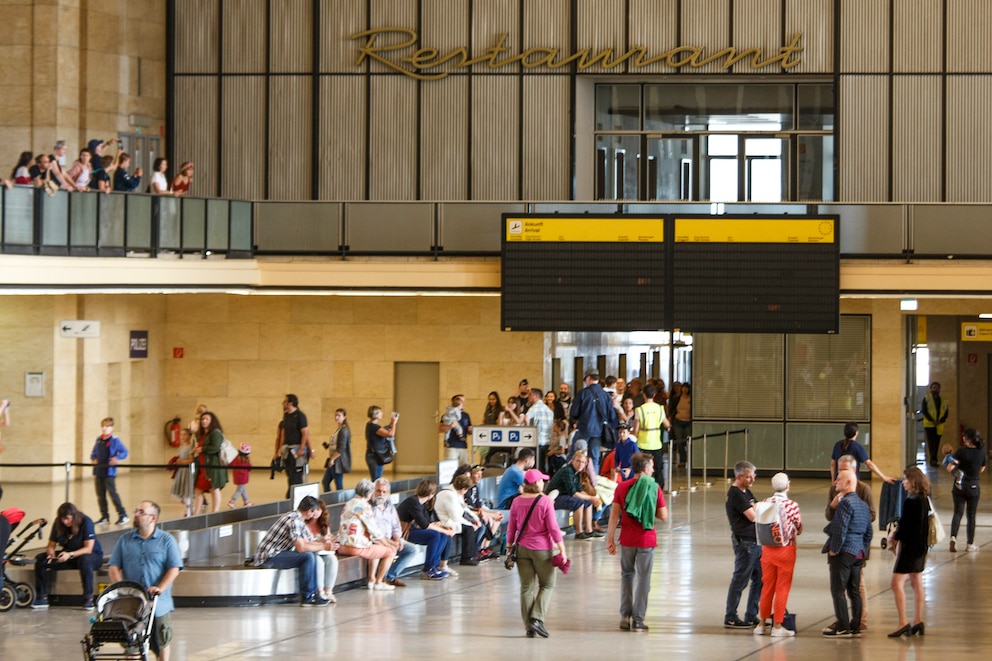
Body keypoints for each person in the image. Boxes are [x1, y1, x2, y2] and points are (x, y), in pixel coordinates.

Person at [108, 500, 183, 660]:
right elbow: (114, 566)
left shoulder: (166, 540)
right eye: (136, 511)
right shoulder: (124, 540)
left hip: (158, 602)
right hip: (132, 602)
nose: (136, 515)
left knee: (162, 640)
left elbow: (174, 568)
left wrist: (160, 588)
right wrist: (120, 587)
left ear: (153, 518)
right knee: (131, 643)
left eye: (141, 512)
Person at [605, 452, 668, 632]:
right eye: (653, 467)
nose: (654, 470)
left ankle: (625, 615)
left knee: (627, 576)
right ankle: (638, 620)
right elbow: (664, 515)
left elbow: (614, 514)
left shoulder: (622, 487)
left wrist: (610, 539)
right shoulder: (654, 488)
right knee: (644, 579)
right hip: (646, 540)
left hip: (627, 539)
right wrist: (647, 510)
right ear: (646, 468)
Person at [507, 468, 566, 638]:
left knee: (526, 587)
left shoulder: (516, 501)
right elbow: (553, 528)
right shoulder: (545, 501)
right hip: (541, 549)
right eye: (541, 480)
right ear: (536, 483)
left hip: (521, 548)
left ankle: (529, 627)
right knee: (547, 584)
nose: (543, 483)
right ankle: (537, 618)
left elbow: (512, 527)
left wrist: (509, 547)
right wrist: (562, 549)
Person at [825, 455, 876, 633]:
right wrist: (862, 546)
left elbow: (840, 529)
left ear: (848, 482)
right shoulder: (862, 505)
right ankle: (855, 626)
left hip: (844, 552)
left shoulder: (846, 503)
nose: (835, 480)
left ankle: (844, 626)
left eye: (839, 478)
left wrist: (834, 550)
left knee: (838, 590)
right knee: (854, 591)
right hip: (858, 552)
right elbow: (869, 532)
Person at [253, 495, 331, 606]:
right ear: (309, 511)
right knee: (308, 556)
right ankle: (308, 597)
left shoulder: (298, 519)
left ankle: (312, 594)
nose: (314, 515)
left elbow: (307, 542)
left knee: (310, 555)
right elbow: (301, 547)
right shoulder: (294, 521)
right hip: (268, 557)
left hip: (277, 553)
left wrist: (323, 542)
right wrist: (324, 547)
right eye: (313, 512)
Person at [753, 473, 802, 637]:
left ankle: (761, 624)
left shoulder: (765, 503)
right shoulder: (791, 505)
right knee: (782, 587)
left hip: (767, 549)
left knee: (767, 586)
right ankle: (778, 625)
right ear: (788, 485)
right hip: (786, 550)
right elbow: (799, 526)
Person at [32, 502, 103, 610]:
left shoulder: (86, 522)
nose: (65, 522)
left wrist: (70, 554)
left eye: (68, 519)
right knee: (41, 559)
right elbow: (51, 544)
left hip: (89, 556)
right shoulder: (59, 523)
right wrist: (51, 553)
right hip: (68, 555)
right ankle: (42, 597)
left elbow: (88, 548)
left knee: (85, 560)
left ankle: (88, 598)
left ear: (73, 516)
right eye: (62, 519)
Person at [888, 466, 932, 637]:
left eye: (905, 479)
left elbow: (905, 527)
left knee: (896, 583)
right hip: (921, 547)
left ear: (913, 481)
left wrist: (894, 536)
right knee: (916, 583)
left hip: (909, 548)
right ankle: (918, 620)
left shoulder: (910, 501)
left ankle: (902, 622)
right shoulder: (924, 499)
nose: (903, 482)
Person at [336, 479, 398, 590]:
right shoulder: (364, 506)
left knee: (378, 548)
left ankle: (371, 580)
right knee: (391, 551)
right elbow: (374, 531)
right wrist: (389, 544)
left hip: (342, 545)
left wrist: (386, 542)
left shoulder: (349, 503)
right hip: (355, 546)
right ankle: (379, 582)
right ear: (369, 493)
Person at [724, 460, 761, 629]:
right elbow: (753, 515)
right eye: (748, 477)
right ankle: (731, 615)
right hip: (746, 543)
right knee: (740, 579)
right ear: (739, 477)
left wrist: (757, 507)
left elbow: (757, 506)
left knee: (760, 579)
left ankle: (751, 614)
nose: (752, 480)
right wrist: (756, 508)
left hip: (755, 541)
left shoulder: (745, 491)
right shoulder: (736, 494)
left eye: (753, 476)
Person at [396, 479, 454, 580]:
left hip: (412, 529)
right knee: (434, 535)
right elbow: (425, 525)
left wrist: (440, 527)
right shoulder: (413, 502)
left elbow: (426, 521)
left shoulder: (421, 504)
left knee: (442, 535)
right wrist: (445, 530)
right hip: (404, 532)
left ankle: (434, 566)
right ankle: (428, 568)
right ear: (431, 494)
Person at [371, 478, 418, 586]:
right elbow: (373, 531)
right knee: (390, 548)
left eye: (384, 492)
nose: (381, 494)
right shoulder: (370, 507)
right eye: (378, 491)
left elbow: (396, 526)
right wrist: (389, 542)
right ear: (373, 491)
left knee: (411, 550)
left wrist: (397, 539)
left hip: (391, 539)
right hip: (378, 540)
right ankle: (380, 578)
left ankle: (389, 577)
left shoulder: (390, 507)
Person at [569, 368, 618, 472]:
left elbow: (574, 413)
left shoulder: (582, 393)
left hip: (583, 430)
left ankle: (572, 479)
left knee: (574, 456)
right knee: (594, 459)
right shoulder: (606, 395)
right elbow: (612, 416)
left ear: (588, 378)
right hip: (599, 432)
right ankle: (593, 481)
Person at [946, 427, 986, 552]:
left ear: (966, 439)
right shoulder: (981, 452)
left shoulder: (960, 452)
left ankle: (953, 537)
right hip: (973, 486)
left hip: (959, 486)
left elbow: (949, 467)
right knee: (971, 516)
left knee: (957, 513)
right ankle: (970, 544)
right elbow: (982, 469)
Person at [545, 450, 599, 539]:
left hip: (564, 495)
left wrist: (592, 498)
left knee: (588, 503)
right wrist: (590, 497)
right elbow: (573, 493)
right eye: (578, 461)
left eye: (583, 462)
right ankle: (579, 532)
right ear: (572, 461)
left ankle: (589, 530)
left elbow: (580, 490)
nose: (580, 464)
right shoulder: (567, 471)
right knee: (579, 502)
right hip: (554, 498)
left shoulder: (577, 473)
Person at [433, 473, 483, 566]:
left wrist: (475, 519)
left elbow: (465, 508)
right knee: (469, 529)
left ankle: (472, 554)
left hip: (453, 519)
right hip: (446, 521)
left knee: (477, 526)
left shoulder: (455, 492)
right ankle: (466, 558)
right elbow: (454, 516)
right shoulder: (449, 495)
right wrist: (470, 524)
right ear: (463, 489)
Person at [90, 417, 129, 525]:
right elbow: (93, 453)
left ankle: (123, 514)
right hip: (99, 471)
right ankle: (104, 516)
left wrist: (116, 458)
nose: (104, 428)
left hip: (109, 472)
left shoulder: (115, 440)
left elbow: (125, 452)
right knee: (100, 495)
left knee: (112, 493)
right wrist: (94, 459)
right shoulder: (99, 439)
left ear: (112, 428)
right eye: (103, 426)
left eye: (107, 426)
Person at [829, 422, 894, 482]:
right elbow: (869, 464)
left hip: (839, 480)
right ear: (856, 433)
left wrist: (833, 480)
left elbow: (833, 464)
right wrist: (883, 477)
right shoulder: (857, 446)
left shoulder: (837, 445)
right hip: (852, 480)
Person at [274, 394, 311, 498]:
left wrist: (302, 448)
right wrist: (279, 449)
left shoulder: (300, 416)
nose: (283, 403)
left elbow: (305, 433)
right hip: (288, 449)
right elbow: (283, 434)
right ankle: (291, 495)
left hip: (297, 448)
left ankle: (296, 496)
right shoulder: (286, 416)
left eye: (285, 401)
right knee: (289, 474)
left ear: (290, 403)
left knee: (297, 475)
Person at [634, 384, 670, 488]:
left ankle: (644, 487)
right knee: (658, 468)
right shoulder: (659, 408)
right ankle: (659, 489)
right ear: (654, 395)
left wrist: (633, 436)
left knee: (642, 468)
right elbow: (666, 423)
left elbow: (636, 429)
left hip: (643, 443)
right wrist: (669, 427)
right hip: (656, 444)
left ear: (643, 395)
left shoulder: (639, 410)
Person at [305, 500, 340, 603]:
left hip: (322, 551)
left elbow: (328, 540)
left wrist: (331, 541)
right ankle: (320, 591)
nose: (316, 512)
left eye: (318, 510)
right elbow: (305, 543)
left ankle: (329, 590)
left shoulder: (324, 526)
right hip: (310, 551)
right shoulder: (304, 525)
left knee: (332, 560)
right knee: (318, 562)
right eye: (314, 510)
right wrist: (320, 540)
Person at [193, 411, 227, 512]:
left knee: (214, 488)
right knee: (198, 488)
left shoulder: (215, 432)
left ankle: (214, 513)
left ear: (212, 421)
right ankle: (196, 513)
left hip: (213, 465)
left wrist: (202, 449)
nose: (204, 421)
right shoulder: (203, 433)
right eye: (202, 419)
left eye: (206, 419)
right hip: (203, 465)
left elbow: (215, 447)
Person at [321, 408, 352, 492]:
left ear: (344, 417)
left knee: (338, 484)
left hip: (337, 461)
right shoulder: (338, 429)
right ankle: (330, 499)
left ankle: (339, 501)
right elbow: (336, 443)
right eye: (336, 415)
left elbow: (341, 448)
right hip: (333, 459)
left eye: (339, 415)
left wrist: (332, 459)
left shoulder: (344, 431)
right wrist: (328, 445)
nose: (336, 417)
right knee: (325, 482)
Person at [365, 405, 398, 481]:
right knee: (376, 479)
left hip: (374, 455)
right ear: (375, 414)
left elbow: (384, 431)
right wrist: (394, 423)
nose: (382, 413)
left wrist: (391, 424)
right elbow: (390, 434)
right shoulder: (374, 427)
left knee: (376, 478)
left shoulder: (370, 425)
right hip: (375, 457)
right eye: (380, 412)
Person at [921, 381, 949, 466]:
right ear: (930, 389)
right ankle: (933, 460)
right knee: (931, 443)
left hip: (939, 425)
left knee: (937, 443)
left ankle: (934, 459)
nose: (935, 389)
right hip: (929, 424)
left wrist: (940, 421)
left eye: (937, 388)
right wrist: (932, 420)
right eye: (933, 388)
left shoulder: (944, 400)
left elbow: (946, 412)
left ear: (939, 389)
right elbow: (924, 411)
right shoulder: (926, 398)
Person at [169, 428, 195, 517]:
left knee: (186, 490)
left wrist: (182, 462)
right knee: (176, 491)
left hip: (187, 471)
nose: (182, 437)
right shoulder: (180, 447)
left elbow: (191, 460)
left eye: (185, 435)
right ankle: (188, 506)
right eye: (181, 434)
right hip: (180, 471)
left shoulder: (190, 447)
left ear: (189, 436)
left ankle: (188, 509)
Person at [439, 394, 471, 465]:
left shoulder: (466, 416)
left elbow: (469, 431)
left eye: (464, 401)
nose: (463, 403)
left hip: (463, 446)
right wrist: (451, 426)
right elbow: (440, 429)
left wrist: (470, 430)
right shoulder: (447, 415)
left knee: (464, 468)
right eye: (461, 401)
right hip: (451, 446)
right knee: (450, 468)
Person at [669, 381, 691, 467]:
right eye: (683, 387)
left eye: (686, 388)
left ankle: (690, 459)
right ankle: (682, 460)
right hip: (678, 421)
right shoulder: (677, 398)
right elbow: (672, 409)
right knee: (679, 441)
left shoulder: (691, 399)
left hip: (688, 422)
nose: (685, 390)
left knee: (688, 441)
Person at [227, 443, 253, 508]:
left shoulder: (236, 458)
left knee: (243, 490)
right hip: (243, 478)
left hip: (237, 478)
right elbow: (249, 468)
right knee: (239, 490)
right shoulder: (246, 460)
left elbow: (230, 464)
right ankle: (232, 501)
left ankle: (246, 502)